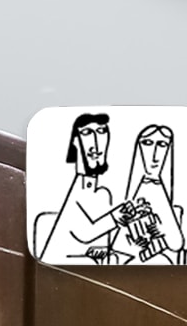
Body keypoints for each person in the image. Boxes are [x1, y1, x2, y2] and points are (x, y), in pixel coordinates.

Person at [32, 111, 122, 262]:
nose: (95, 142)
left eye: (101, 131)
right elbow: (84, 232)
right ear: (75, 141)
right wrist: (116, 217)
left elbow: (99, 242)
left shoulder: (103, 194)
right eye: (87, 133)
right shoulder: (76, 188)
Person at [117, 122, 187, 263]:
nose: (155, 154)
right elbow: (118, 242)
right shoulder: (129, 190)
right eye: (148, 143)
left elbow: (176, 242)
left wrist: (156, 228)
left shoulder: (161, 190)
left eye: (162, 145)